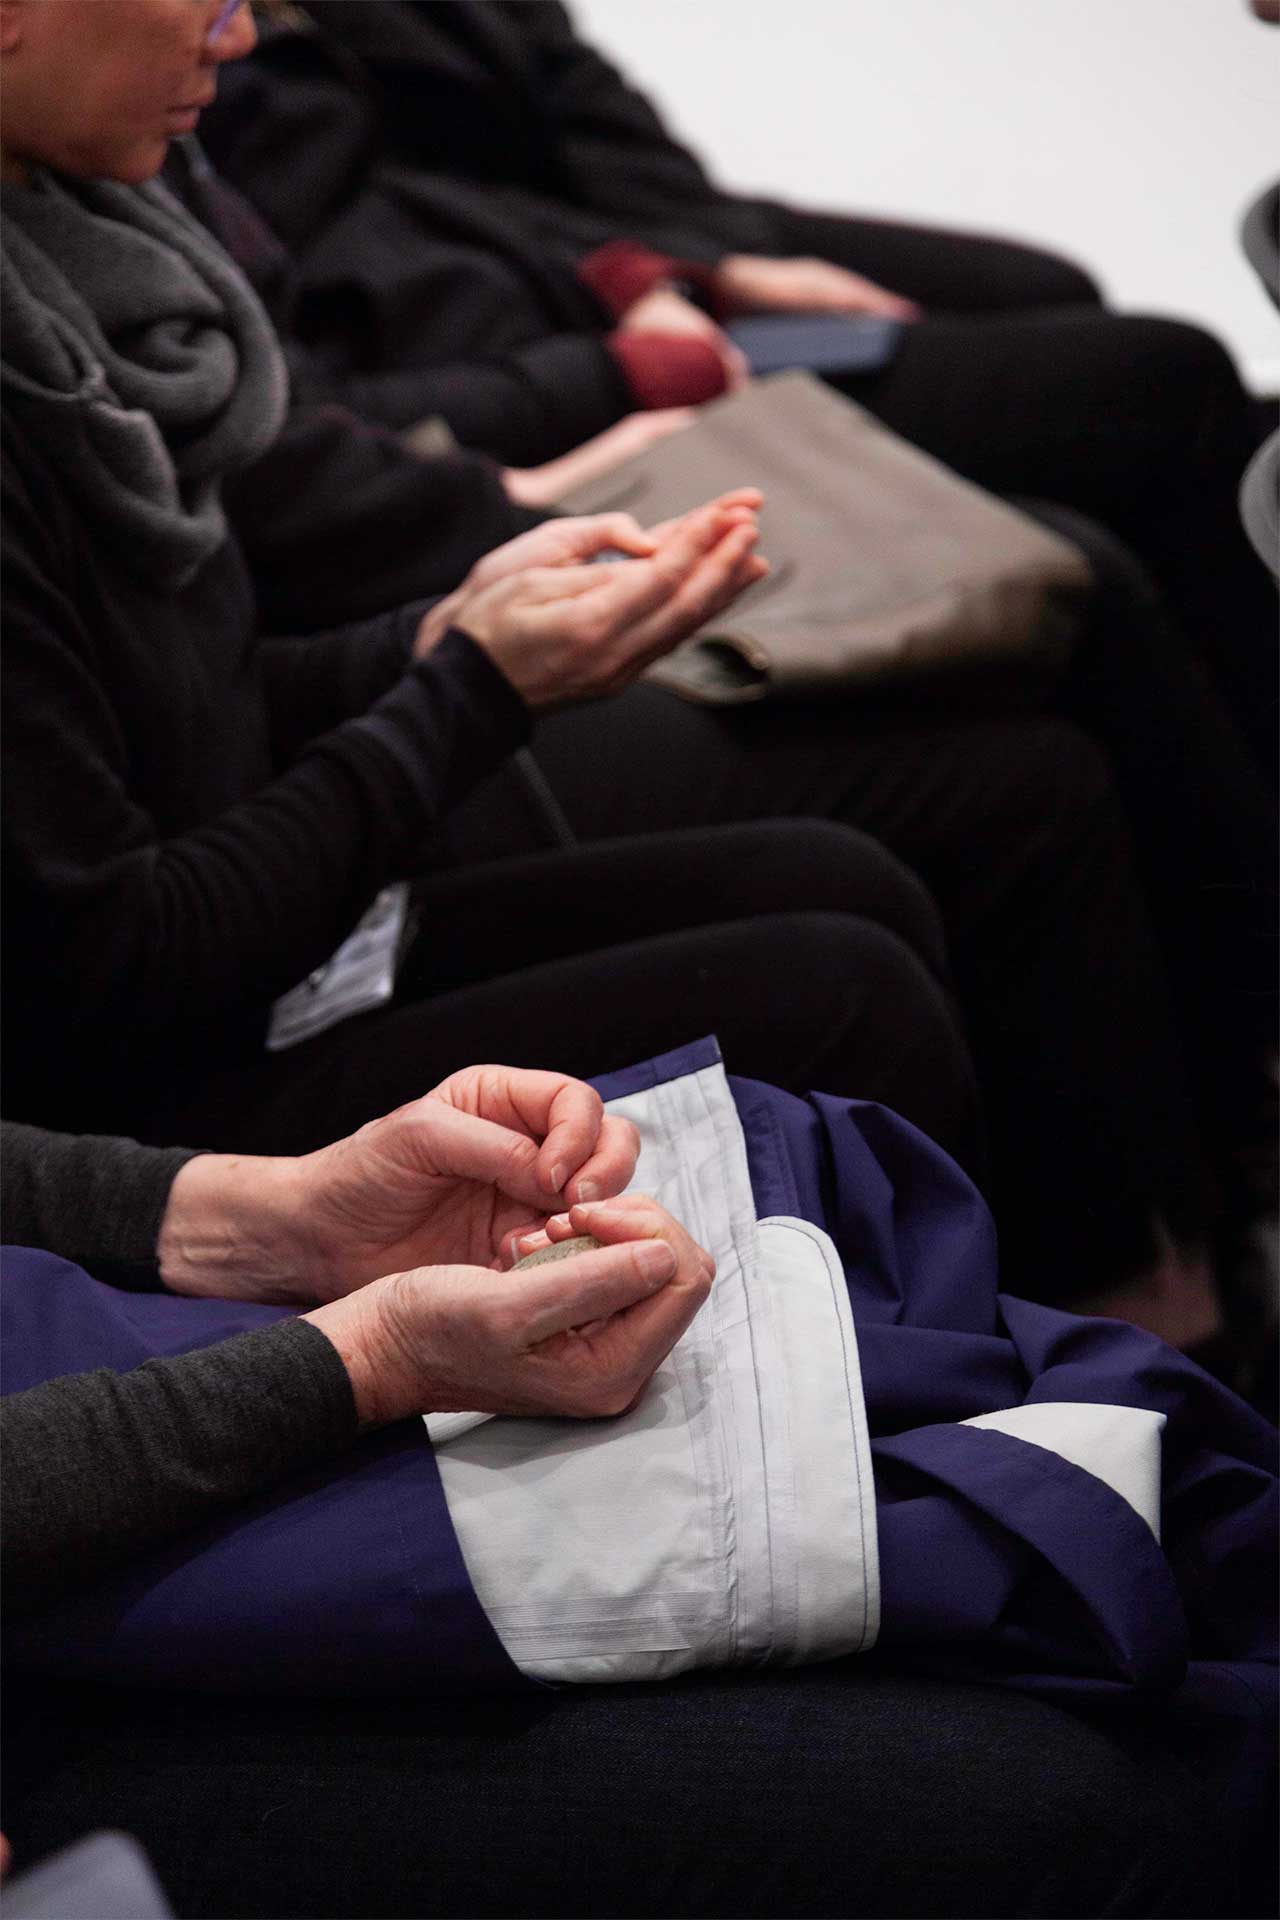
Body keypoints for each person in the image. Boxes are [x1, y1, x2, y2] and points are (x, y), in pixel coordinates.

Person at [0, 0, 1240, 1342]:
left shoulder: (91, 259)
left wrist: (433, 642)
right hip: (149, 1109)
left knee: (867, 877)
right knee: (865, 958)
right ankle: (1067, 1365)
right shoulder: (52, 377)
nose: (240, 33)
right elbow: (123, 965)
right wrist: (470, 681)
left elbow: (198, 715)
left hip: (274, 916)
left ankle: (1124, 1321)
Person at [200, 0, 1276, 770]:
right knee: (1133, 427)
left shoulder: (211, 112)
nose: (230, 30)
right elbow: (316, 447)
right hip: (540, 398)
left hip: (565, 315)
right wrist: (612, 369)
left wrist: (677, 266)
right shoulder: (179, 158)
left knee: (1059, 305)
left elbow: (524, 133)